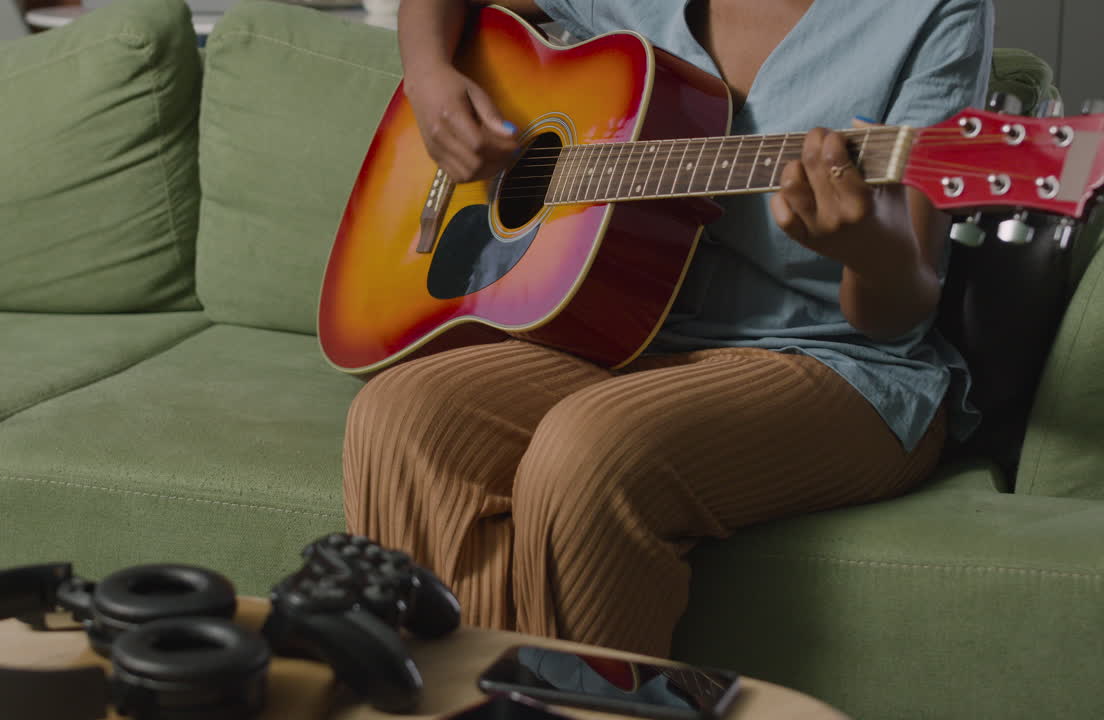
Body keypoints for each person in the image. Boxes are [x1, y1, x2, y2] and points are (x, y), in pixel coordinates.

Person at [344, 0, 993, 656]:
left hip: (841, 362)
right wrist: (428, 77)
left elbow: (901, 306)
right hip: (629, 330)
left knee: (591, 453)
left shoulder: (930, 12)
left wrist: (868, 249)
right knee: (401, 417)